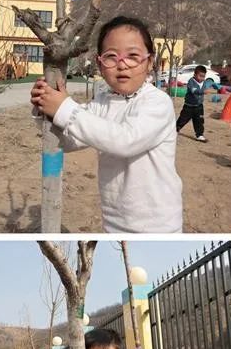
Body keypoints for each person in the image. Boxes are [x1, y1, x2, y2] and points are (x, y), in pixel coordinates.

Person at [30, 16, 183, 233]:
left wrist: (64, 108)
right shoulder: (103, 102)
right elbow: (70, 140)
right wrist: (45, 109)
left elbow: (125, 141)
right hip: (115, 222)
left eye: (133, 56)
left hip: (158, 225)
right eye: (111, 56)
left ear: (149, 62)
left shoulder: (157, 102)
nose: (122, 65)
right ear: (100, 63)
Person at [176, 65, 207, 142]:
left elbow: (206, 86)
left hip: (199, 106)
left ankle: (199, 134)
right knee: (183, 119)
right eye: (200, 76)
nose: (202, 78)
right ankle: (175, 129)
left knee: (199, 120)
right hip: (189, 106)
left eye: (203, 76)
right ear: (195, 74)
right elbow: (193, 91)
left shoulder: (204, 82)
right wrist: (202, 92)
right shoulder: (191, 82)